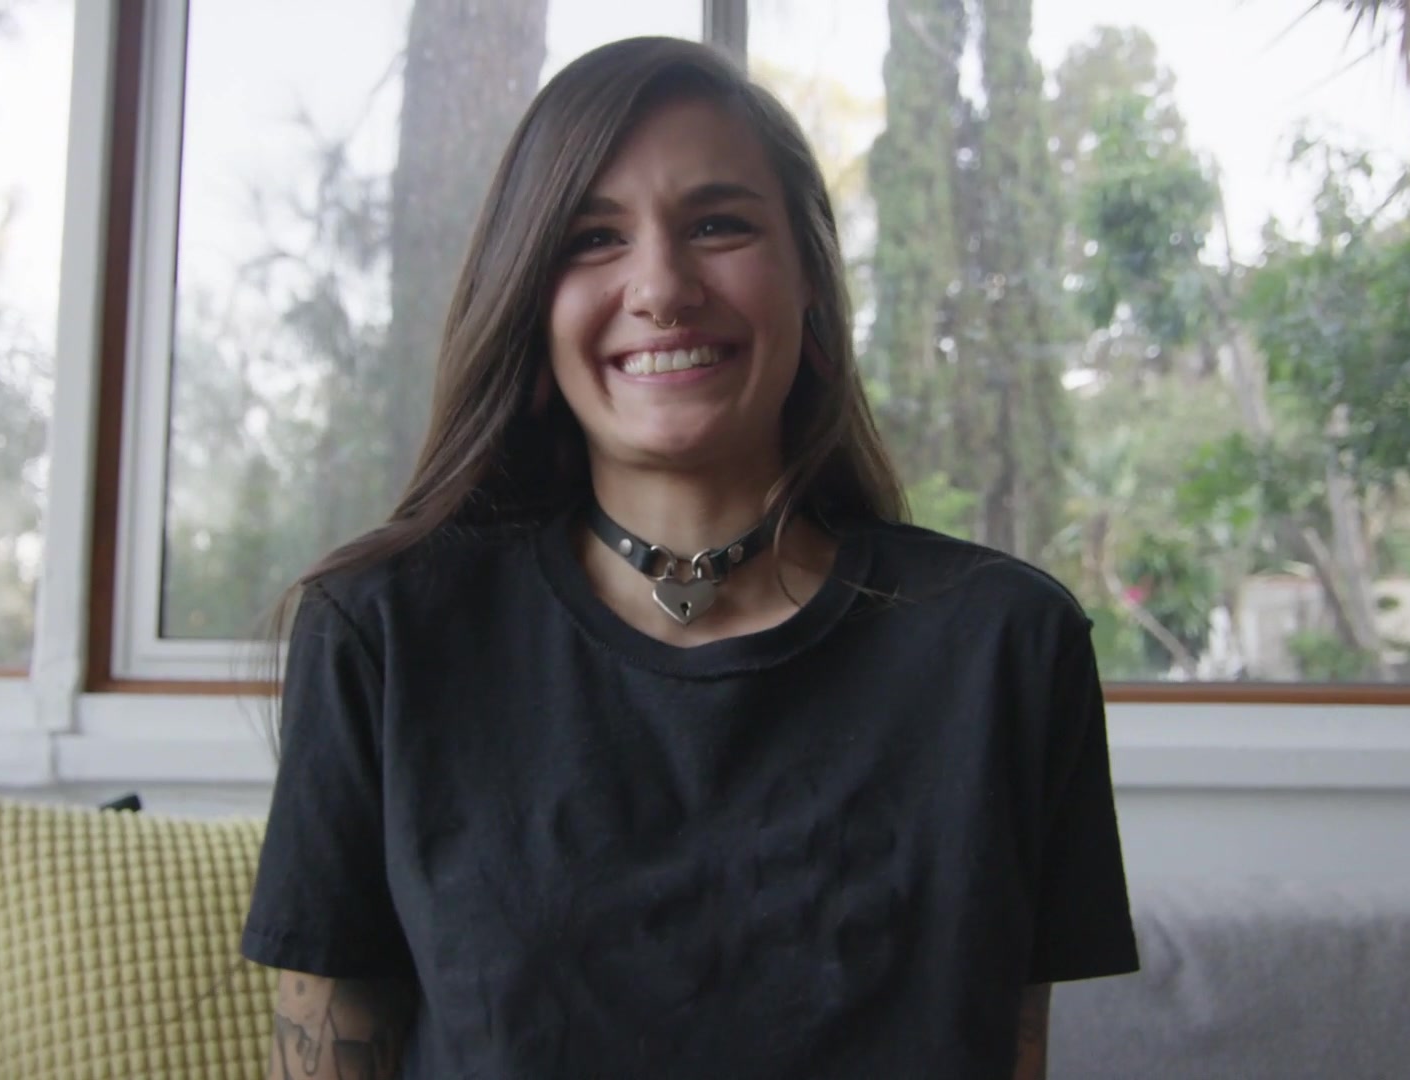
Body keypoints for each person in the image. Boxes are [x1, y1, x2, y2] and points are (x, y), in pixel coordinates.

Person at [242, 35, 1138, 1080]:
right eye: (593, 238)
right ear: (529, 302)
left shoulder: (1006, 648)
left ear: (811, 282)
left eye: (718, 225)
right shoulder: (383, 634)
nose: (661, 287)